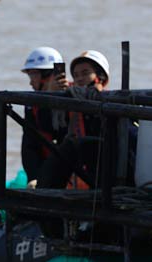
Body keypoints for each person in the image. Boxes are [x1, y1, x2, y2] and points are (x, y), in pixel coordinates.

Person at [38, 50, 111, 190]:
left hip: (102, 176)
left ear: (100, 77)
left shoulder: (111, 105)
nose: (79, 79)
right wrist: (52, 96)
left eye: (85, 73)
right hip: (75, 180)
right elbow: (46, 126)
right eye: (76, 75)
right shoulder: (70, 104)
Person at [20, 47, 69, 187]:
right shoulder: (31, 105)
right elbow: (29, 145)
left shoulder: (75, 96)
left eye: (33, 76)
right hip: (46, 171)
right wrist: (33, 177)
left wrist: (54, 97)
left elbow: (56, 130)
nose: (30, 83)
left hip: (72, 172)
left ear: (48, 75)